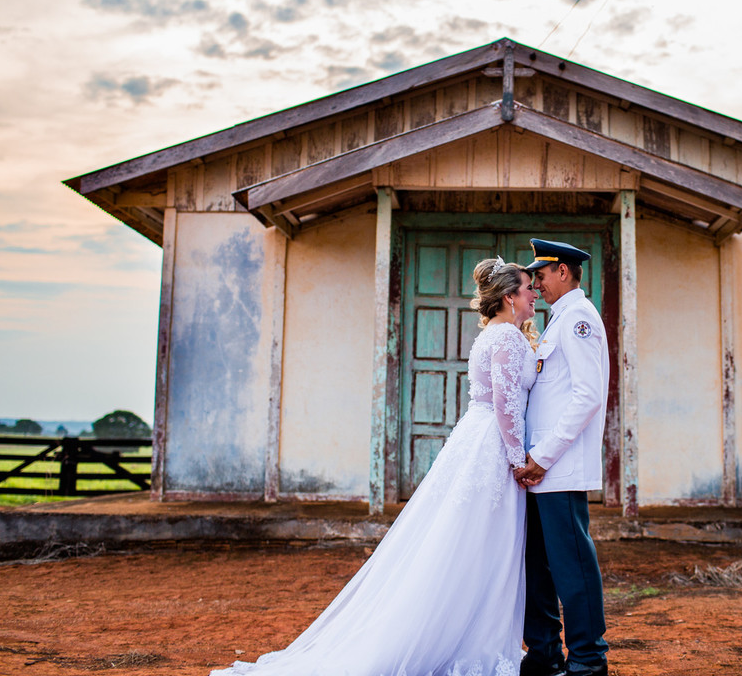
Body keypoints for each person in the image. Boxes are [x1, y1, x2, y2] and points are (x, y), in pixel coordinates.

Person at [211, 256, 539, 676]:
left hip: (476, 440)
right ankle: (474, 643)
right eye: (529, 289)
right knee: (486, 544)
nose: (534, 296)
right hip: (494, 448)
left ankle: (469, 634)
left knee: (466, 542)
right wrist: (519, 462)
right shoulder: (509, 340)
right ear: (511, 297)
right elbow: (506, 407)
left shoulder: (490, 336)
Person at [514, 239, 611, 676]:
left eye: (542, 275)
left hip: (559, 468)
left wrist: (544, 456)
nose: (537, 283)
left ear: (564, 273)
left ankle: (589, 662)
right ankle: (544, 654)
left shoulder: (578, 320)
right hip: (539, 470)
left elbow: (587, 395)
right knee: (538, 568)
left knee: (572, 570)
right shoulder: (558, 321)